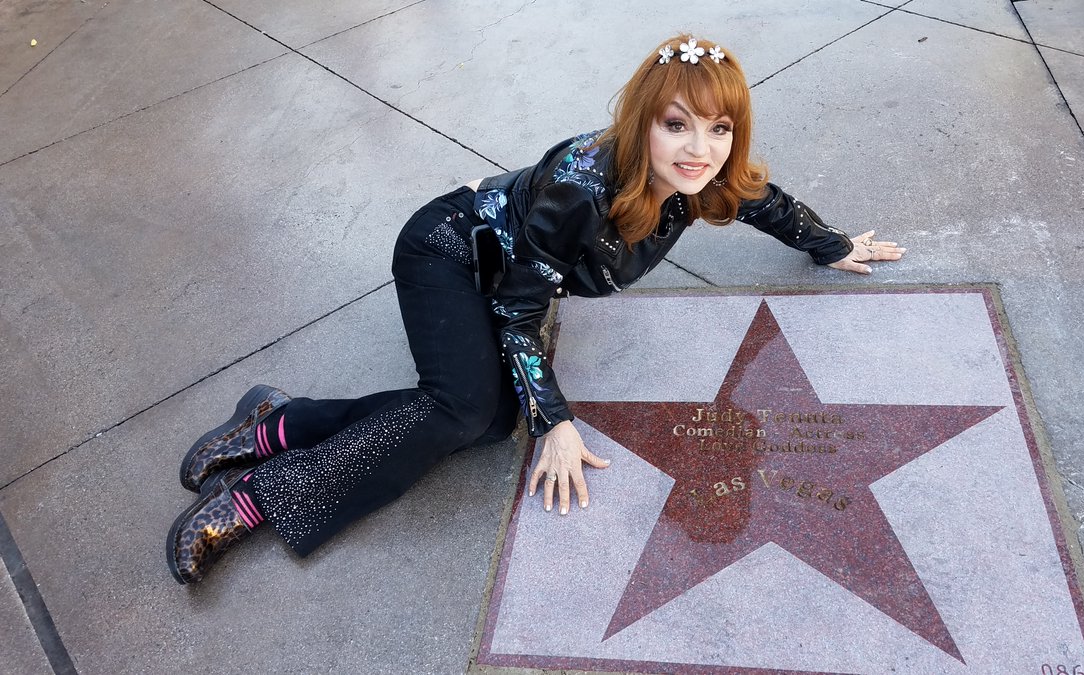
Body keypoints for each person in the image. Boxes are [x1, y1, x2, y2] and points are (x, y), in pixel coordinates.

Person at [166, 34, 905, 584]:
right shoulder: (582, 188)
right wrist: (557, 419)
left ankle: (275, 423)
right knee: (460, 411)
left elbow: (761, 197)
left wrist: (832, 245)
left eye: (719, 129)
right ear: (645, 118)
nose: (700, 148)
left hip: (514, 276)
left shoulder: (701, 173)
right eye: (677, 124)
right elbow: (519, 314)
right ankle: (262, 494)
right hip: (450, 251)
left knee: (489, 423)